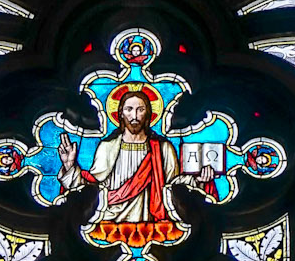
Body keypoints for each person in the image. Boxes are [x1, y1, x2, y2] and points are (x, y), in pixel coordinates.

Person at [57, 87, 211, 251]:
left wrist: (197, 182)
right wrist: (69, 166)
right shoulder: (107, 147)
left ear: (148, 114)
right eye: (129, 110)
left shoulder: (163, 148)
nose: (135, 116)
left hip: (154, 220)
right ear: (120, 113)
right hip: (109, 218)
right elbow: (92, 185)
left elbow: (173, 184)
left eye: (140, 109)